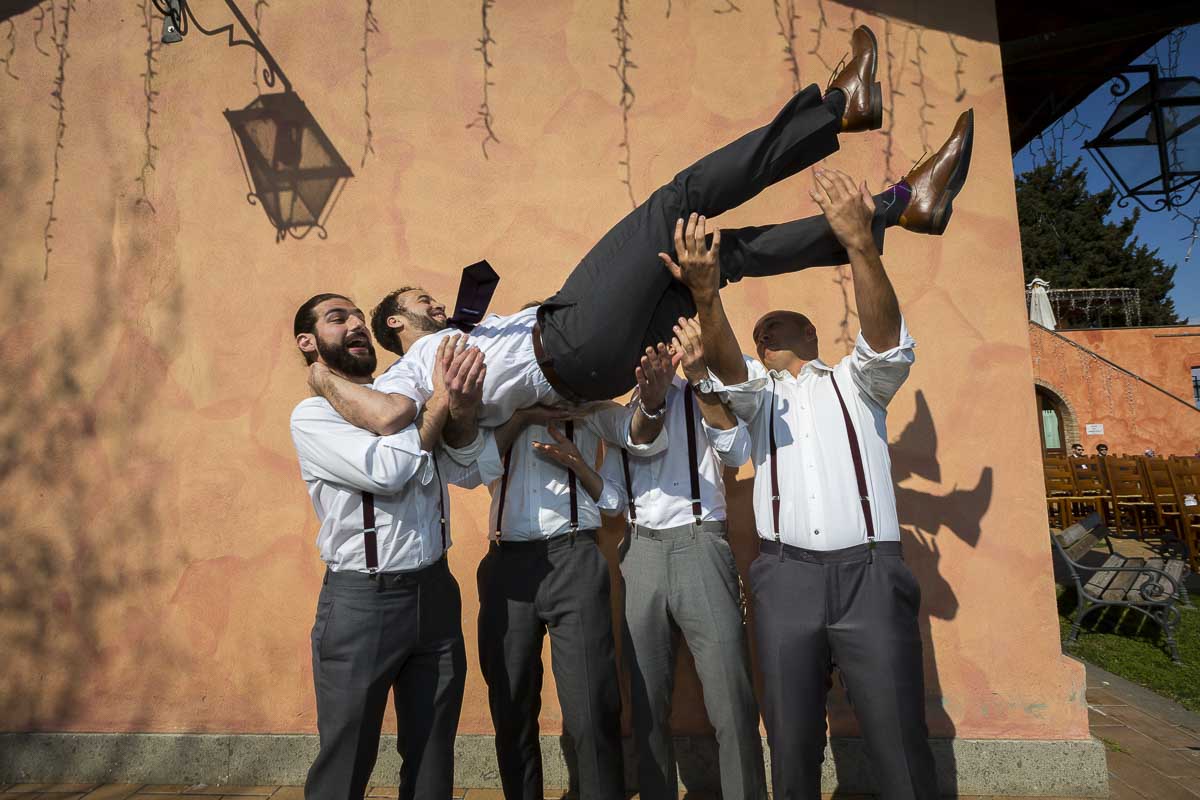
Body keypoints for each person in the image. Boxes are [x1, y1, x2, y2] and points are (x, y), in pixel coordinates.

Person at [305, 24, 974, 435]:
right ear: (394, 326)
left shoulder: (458, 337)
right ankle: (836, 110)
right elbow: (390, 417)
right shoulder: (413, 371)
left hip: (591, 368)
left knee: (713, 257)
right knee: (676, 203)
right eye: (412, 302)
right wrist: (321, 375)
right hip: (566, 345)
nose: (429, 301)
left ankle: (899, 206)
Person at [665, 166, 939, 798]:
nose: (765, 334)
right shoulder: (759, 396)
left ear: (813, 336)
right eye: (759, 333)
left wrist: (860, 244)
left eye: (779, 324)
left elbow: (887, 341)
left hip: (871, 573)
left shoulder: (858, 384)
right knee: (789, 744)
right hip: (784, 577)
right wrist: (708, 299)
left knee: (899, 741)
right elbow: (729, 380)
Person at [288, 293, 485, 800]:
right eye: (338, 319)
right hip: (362, 603)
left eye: (357, 316)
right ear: (308, 343)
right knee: (346, 759)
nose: (356, 324)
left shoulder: (400, 395)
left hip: (436, 593)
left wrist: (455, 405)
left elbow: (467, 469)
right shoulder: (312, 417)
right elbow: (387, 470)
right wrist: (438, 399)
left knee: (432, 756)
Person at [467, 356, 672, 800]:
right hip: (506, 566)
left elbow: (636, 434)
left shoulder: (587, 406)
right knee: (511, 700)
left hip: (574, 558)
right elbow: (466, 467)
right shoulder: (495, 409)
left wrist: (652, 404)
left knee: (591, 702)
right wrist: (520, 418)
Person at [602, 317, 765, 800]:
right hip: (639, 551)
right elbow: (612, 498)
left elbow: (737, 455)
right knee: (646, 698)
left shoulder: (708, 389)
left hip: (701, 544)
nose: (659, 352)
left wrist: (699, 380)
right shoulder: (621, 409)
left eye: (666, 342)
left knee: (731, 695)